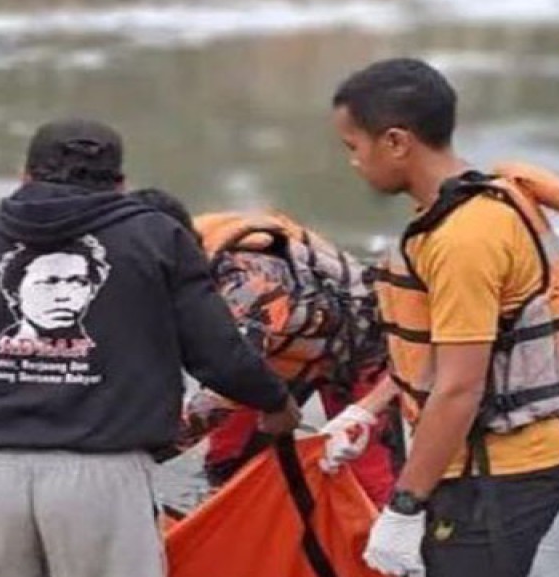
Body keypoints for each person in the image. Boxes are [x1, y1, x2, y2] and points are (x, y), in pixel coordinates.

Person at [0, 118, 300, 577]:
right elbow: (218, 354)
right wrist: (276, 403)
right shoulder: (156, 238)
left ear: (24, 176)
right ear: (119, 183)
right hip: (102, 473)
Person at [324, 58, 559, 577]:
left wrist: (405, 504)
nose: (353, 162)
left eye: (353, 145)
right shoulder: (470, 207)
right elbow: (451, 345)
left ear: (396, 142)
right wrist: (369, 408)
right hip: (480, 465)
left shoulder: (463, 239)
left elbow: (460, 387)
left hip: (500, 473)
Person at [132, 188, 400, 504]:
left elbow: (227, 383)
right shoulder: (167, 255)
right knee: (227, 463)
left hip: (358, 352)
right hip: (277, 353)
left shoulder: (252, 279)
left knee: (373, 483)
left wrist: (140, 455)